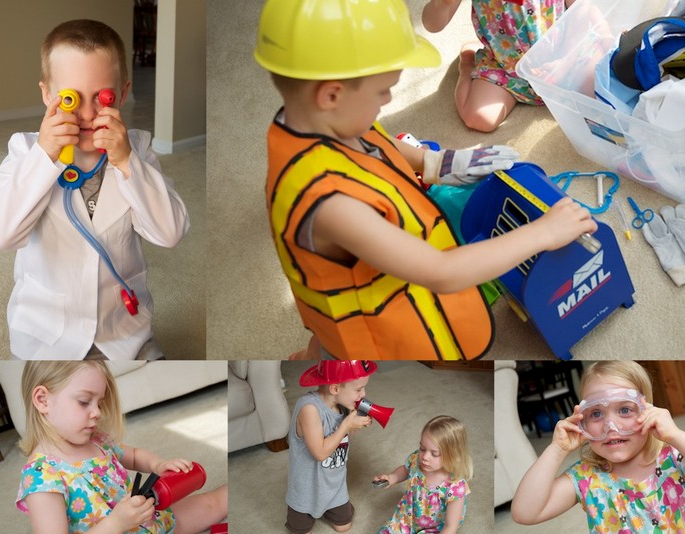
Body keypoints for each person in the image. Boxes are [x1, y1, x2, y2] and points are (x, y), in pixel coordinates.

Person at [255, 0, 596, 360]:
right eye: (383, 91)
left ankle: (315, 351)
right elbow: (442, 272)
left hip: (360, 275)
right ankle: (317, 356)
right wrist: (543, 233)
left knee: (327, 337)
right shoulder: (332, 205)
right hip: (372, 326)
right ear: (332, 95)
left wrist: (436, 162)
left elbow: (373, 142)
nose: (388, 99)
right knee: (341, 351)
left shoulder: (319, 120)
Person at [0, 19, 189, 359]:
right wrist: (45, 157)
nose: (88, 114)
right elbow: (1, 234)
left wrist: (127, 162)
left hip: (122, 329)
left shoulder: (137, 151)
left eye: (103, 97)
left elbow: (170, 233)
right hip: (46, 335)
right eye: (70, 99)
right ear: (47, 94)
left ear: (123, 93)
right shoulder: (25, 152)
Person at [510, 361, 685, 532]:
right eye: (596, 413)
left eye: (624, 409)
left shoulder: (676, 459)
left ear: (648, 412)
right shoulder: (586, 478)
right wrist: (557, 449)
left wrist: (676, 435)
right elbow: (525, 513)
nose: (610, 426)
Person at [16, 361, 227, 533]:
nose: (97, 412)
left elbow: (133, 455)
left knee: (211, 503)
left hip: (149, 523)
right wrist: (116, 524)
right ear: (43, 400)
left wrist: (159, 465)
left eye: (99, 403)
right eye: (84, 401)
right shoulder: (41, 477)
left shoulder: (96, 441)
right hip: (122, 525)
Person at [421, 0, 577, 132]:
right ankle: (468, 66)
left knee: (590, 88)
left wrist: (566, 60)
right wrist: (442, 4)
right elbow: (432, 25)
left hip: (562, 53)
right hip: (504, 64)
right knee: (478, 118)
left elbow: (582, 10)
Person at [286, 360, 377, 534]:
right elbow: (320, 453)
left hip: (334, 488)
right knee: (300, 531)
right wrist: (346, 426)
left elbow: (342, 441)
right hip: (306, 491)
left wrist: (354, 423)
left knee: (344, 527)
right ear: (335, 389)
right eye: (358, 389)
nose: (363, 394)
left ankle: (331, 506)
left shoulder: (343, 406)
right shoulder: (309, 409)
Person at [375, 415, 472, 533]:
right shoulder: (416, 460)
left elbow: (450, 526)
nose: (425, 457)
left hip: (435, 528)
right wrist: (392, 478)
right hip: (408, 515)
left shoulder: (456, 486)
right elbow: (405, 470)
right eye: (422, 448)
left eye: (434, 454)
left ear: (452, 455)